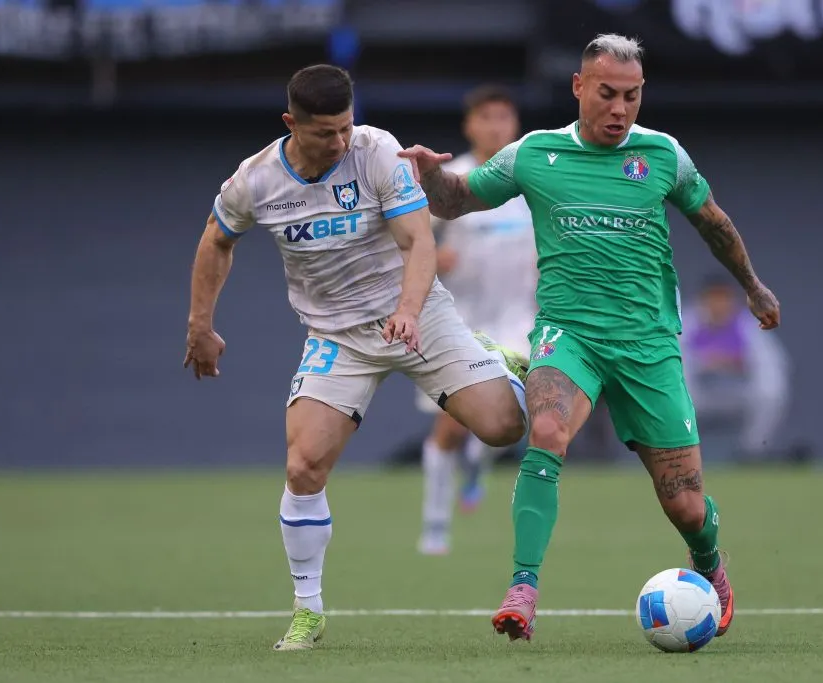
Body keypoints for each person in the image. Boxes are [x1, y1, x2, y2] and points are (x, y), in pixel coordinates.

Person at [399, 33, 781, 641]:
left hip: (648, 345)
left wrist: (754, 286)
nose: (620, 109)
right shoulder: (534, 155)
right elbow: (456, 201)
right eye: (607, 94)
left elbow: (715, 223)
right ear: (579, 87)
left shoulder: (663, 156)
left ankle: (709, 562)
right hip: (567, 334)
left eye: (631, 96)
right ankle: (523, 588)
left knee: (684, 503)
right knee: (545, 430)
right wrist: (429, 177)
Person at [183, 64, 531, 651]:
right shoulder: (256, 180)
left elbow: (420, 241)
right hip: (337, 336)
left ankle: (493, 359)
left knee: (504, 428)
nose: (341, 142)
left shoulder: (377, 152)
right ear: (291, 123)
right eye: (325, 133)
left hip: (420, 316)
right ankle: (308, 611)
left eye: (346, 127)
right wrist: (200, 325)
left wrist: (411, 310)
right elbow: (217, 239)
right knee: (303, 466)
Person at [416, 84, 537, 556]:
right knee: (449, 428)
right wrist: (432, 256)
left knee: (518, 409)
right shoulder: (453, 179)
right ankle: (435, 526)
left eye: (503, 117)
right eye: (485, 118)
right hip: (459, 323)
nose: (495, 126)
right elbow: (406, 240)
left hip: (520, 321)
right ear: (469, 125)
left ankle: (480, 461)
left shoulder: (531, 177)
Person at [681, 274, 791, 463]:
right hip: (696, 397)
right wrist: (706, 362)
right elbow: (673, 363)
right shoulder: (685, 323)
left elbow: (773, 364)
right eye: (713, 298)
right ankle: (678, 450)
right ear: (702, 300)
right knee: (673, 391)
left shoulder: (747, 325)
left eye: (723, 298)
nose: (718, 305)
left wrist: (734, 363)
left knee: (770, 392)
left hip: (736, 393)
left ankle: (752, 451)